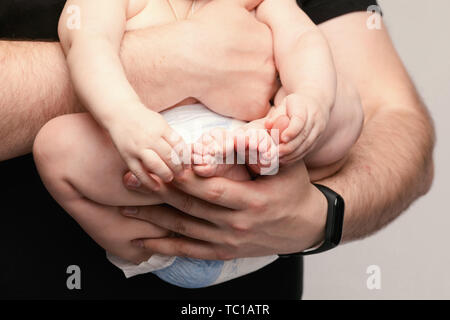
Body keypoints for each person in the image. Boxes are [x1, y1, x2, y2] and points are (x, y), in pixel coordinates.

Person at [0, 0, 435, 299]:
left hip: (258, 168)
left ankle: (247, 149)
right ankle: (127, 239)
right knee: (55, 145)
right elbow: (88, 45)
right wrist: (123, 116)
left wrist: (307, 101)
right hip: (156, 172)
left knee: (344, 104)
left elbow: (304, 42)